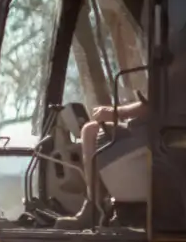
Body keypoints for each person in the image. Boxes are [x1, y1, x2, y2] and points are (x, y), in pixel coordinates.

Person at [55, 98, 148, 229]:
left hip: (156, 133)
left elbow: (158, 102)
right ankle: (94, 206)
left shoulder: (174, 79)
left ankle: (97, 208)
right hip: (144, 128)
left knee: (95, 134)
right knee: (90, 130)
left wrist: (117, 112)